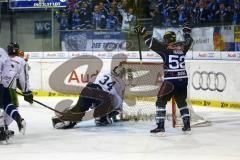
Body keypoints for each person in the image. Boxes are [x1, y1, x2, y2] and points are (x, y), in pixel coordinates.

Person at [134, 22, 193, 133]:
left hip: (171, 80)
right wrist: (187, 32)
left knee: (160, 101)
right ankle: (187, 125)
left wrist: (142, 31)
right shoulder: (182, 48)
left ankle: (160, 126)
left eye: (165, 39)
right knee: (181, 101)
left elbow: (150, 42)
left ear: (166, 40)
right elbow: (189, 41)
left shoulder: (165, 49)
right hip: (183, 79)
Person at [52, 63, 127, 129]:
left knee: (81, 107)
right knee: (111, 107)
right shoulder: (121, 84)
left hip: (89, 89)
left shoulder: (105, 72)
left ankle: (64, 118)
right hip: (102, 96)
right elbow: (117, 102)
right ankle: (101, 118)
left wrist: (89, 99)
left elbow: (92, 81)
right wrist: (117, 110)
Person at [1, 42, 33, 137]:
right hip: (8, 87)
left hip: (3, 84)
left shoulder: (5, 58)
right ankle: (2, 128)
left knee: (7, 107)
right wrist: (26, 91)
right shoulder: (21, 61)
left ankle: (2, 128)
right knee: (11, 107)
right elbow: (23, 79)